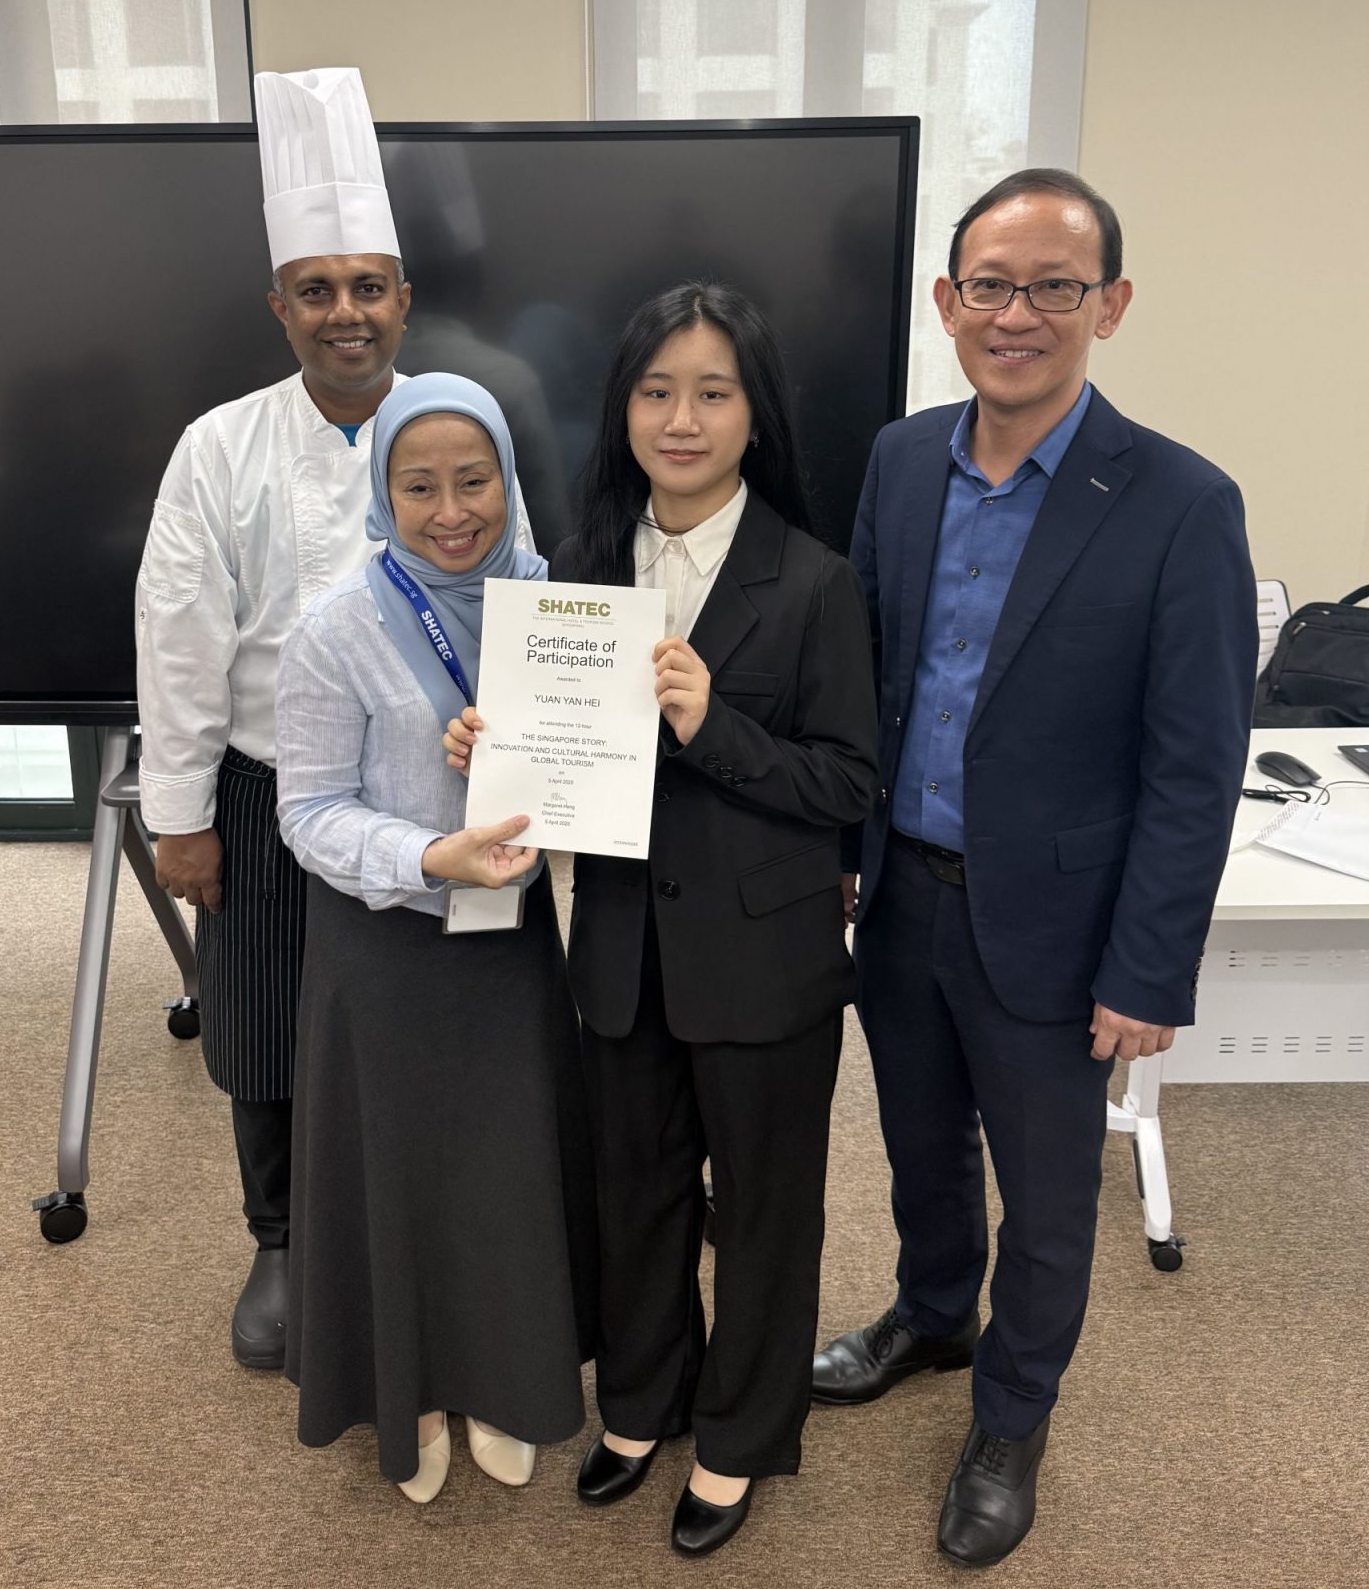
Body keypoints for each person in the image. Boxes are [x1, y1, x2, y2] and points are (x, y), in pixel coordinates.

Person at [813, 169, 1256, 1568]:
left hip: (1062, 926)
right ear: (948, 303)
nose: (1018, 314)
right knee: (919, 1147)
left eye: (1054, 286)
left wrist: (1149, 970)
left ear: (1108, 306)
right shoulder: (900, 460)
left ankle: (1012, 1416)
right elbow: (863, 675)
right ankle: (935, 1315)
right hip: (902, 897)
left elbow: (1196, 766)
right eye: (991, 286)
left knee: (1051, 1198)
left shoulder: (1183, 502)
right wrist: (843, 852)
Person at [447, 282, 879, 1558]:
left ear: (756, 414)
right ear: (622, 408)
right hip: (623, 945)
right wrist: (495, 749)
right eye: (656, 390)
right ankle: (640, 1404)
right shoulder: (577, 566)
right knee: (632, 1190)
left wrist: (713, 724)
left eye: (712, 392)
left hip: (766, 954)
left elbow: (848, 783)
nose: (681, 418)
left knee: (763, 1207)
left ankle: (740, 1435)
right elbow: (560, 764)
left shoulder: (815, 579)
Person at [274, 374, 597, 1503]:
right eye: (419, 486)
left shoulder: (558, 610)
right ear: (382, 492)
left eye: (475, 480)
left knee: (505, 1171)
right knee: (399, 1177)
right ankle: (406, 1384)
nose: (451, 511)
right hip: (385, 949)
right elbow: (307, 811)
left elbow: (593, 773)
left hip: (511, 947)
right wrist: (427, 853)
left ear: (509, 479)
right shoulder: (335, 628)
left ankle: (507, 1378)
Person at [135, 68, 412, 1370]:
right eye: (317, 289)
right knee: (260, 1024)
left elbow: (522, 598)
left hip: (422, 792)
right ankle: (284, 1237)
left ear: (403, 295)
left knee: (418, 1021)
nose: (344, 312)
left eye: (367, 286)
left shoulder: (461, 421)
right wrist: (180, 816)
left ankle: (407, 1223)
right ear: (280, 306)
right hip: (262, 784)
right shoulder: (218, 448)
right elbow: (179, 638)